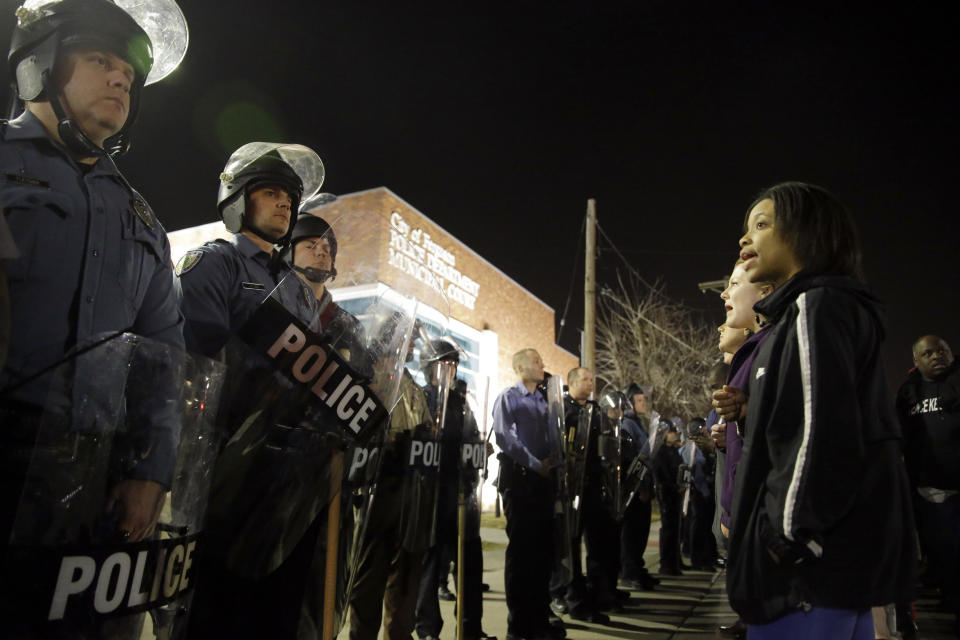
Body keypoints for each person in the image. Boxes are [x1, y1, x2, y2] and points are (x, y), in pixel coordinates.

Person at [0, 0, 187, 556]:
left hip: (89, 479)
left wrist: (151, 470)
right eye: (101, 59)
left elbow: (165, 359)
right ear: (38, 65)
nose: (119, 81)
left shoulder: (141, 219)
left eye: (128, 76)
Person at [726, 182, 916, 638]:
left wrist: (784, 540)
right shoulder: (828, 307)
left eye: (762, 224)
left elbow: (818, 432)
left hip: (804, 580)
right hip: (836, 570)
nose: (744, 240)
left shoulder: (815, 304)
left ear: (807, 234)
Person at [177, 141, 325, 359]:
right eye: (271, 193)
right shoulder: (213, 264)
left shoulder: (301, 290)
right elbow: (198, 358)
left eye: (290, 198)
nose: (285, 204)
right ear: (239, 197)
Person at [348, 337, 435, 640]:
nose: (413, 345)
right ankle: (362, 634)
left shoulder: (412, 383)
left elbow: (423, 423)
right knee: (371, 571)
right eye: (410, 337)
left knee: (406, 570)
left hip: (411, 485)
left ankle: (399, 633)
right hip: (378, 484)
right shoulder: (369, 375)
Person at [415, 344, 494, 640]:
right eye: (444, 364)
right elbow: (417, 441)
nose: (451, 370)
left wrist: (480, 449)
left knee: (470, 561)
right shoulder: (422, 399)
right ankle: (427, 630)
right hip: (432, 495)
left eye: (454, 365)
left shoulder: (461, 404)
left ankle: (470, 627)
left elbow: (471, 438)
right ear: (430, 367)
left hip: (462, 495)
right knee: (430, 564)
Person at [493, 349, 564, 640]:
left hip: (543, 484)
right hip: (520, 483)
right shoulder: (509, 397)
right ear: (521, 367)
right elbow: (504, 437)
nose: (542, 364)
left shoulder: (544, 402)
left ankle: (538, 618)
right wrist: (536, 465)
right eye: (536, 361)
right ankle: (518, 626)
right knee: (522, 555)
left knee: (542, 554)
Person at [897, 335, 960, 636]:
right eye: (928, 353)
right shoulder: (908, 392)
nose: (937, 356)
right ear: (916, 361)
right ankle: (947, 594)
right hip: (929, 487)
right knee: (941, 546)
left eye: (942, 351)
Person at [549, 367, 614, 624]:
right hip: (569, 488)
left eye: (592, 380)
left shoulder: (597, 411)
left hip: (593, 487)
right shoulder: (562, 409)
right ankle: (568, 596)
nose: (591, 383)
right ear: (572, 382)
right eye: (586, 379)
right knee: (569, 545)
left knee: (596, 545)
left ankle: (597, 596)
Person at [619, 382, 659, 591]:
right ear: (629, 403)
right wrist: (641, 485)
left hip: (644, 485)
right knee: (632, 533)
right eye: (640, 400)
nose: (644, 403)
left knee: (641, 532)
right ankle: (629, 572)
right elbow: (635, 458)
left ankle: (637, 568)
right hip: (634, 489)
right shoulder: (627, 424)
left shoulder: (638, 423)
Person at [653, 417, 683, 576]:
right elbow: (663, 473)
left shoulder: (670, 450)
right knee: (668, 529)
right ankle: (667, 563)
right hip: (667, 492)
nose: (674, 435)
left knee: (674, 528)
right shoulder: (661, 450)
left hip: (673, 491)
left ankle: (674, 561)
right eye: (671, 432)